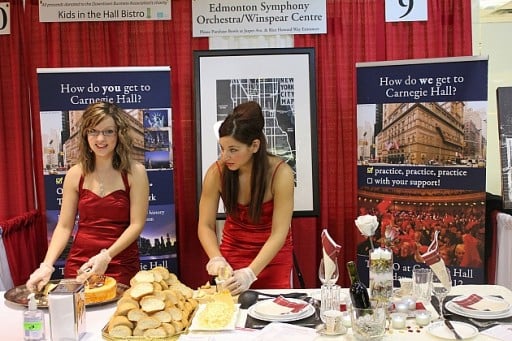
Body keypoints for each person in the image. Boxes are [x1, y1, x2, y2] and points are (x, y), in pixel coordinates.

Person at [26, 101, 149, 290]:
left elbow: (137, 225)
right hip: (80, 264)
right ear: (85, 135)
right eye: (93, 131)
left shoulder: (135, 172)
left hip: (120, 262)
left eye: (108, 131)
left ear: (119, 134)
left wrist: (106, 256)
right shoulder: (75, 174)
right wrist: (47, 265)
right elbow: (64, 226)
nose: (100, 138)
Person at [197, 101, 295, 295]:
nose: (225, 157)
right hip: (231, 256)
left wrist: (250, 273)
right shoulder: (217, 172)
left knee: (275, 316)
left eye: (233, 150)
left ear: (255, 145)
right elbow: (205, 225)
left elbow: (279, 233)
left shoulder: (281, 174)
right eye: (222, 148)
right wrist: (216, 258)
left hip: (273, 259)